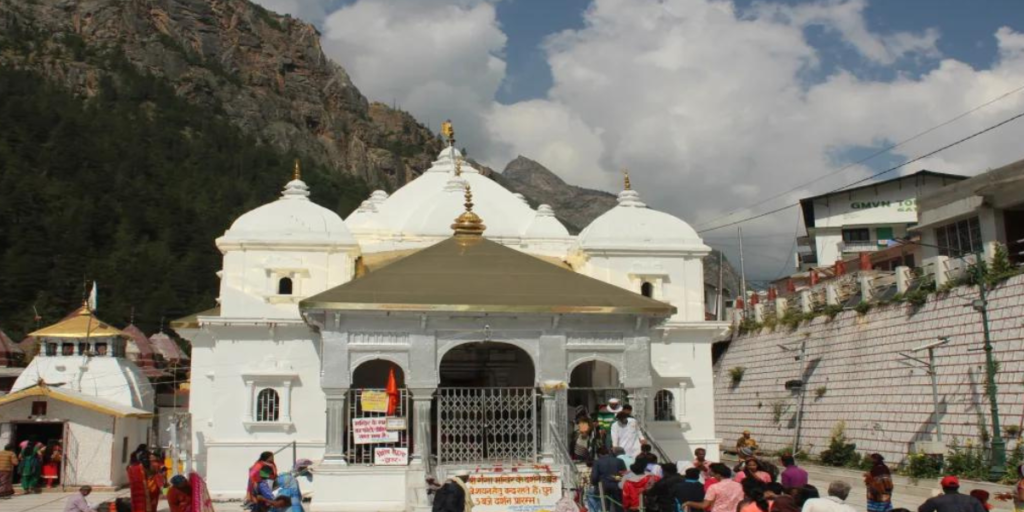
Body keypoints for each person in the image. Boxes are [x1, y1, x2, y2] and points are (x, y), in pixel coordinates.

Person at [918, 476, 987, 512]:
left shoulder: (936, 500)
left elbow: (922, 510)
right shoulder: (973, 500)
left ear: (943, 487)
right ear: (958, 486)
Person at [591, 446, 627, 512]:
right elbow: (624, 475)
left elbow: (594, 477)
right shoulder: (619, 461)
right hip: (617, 484)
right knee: (619, 505)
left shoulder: (597, 462)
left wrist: (594, 484)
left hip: (603, 485)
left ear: (599, 454)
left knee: (605, 507)